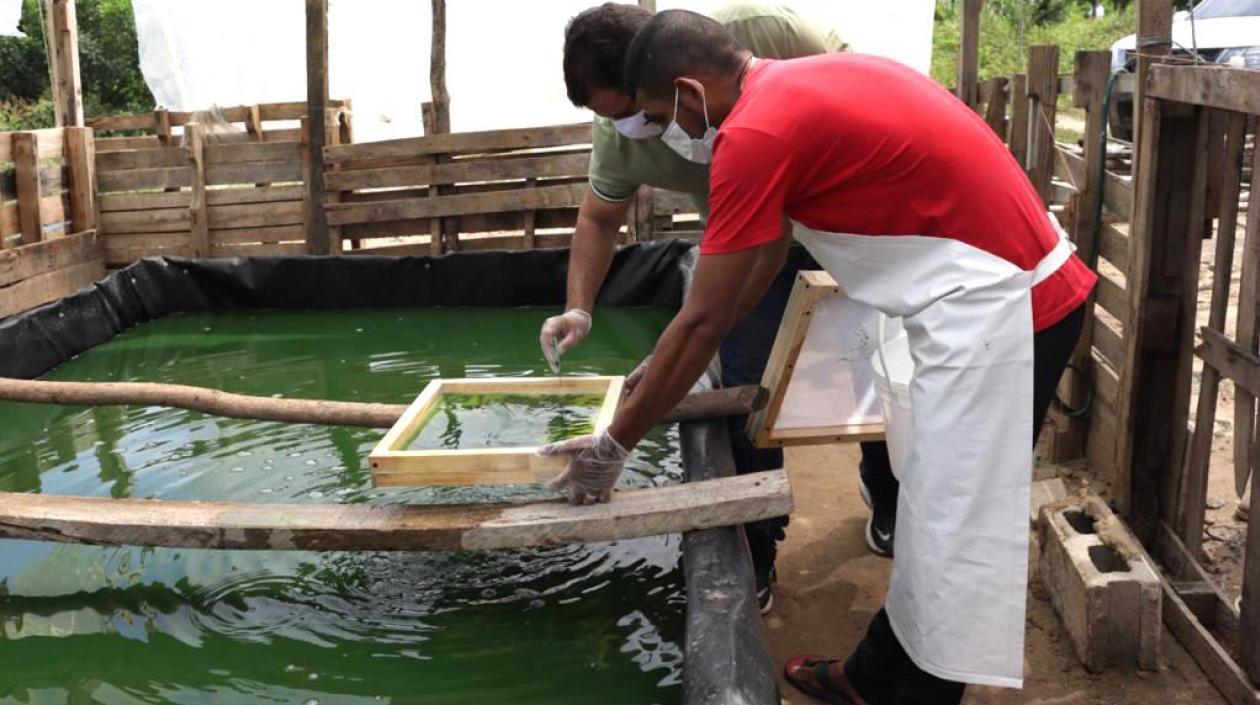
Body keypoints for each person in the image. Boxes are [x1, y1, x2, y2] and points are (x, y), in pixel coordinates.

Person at [540, 10, 1095, 704]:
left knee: (956, 516)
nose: (663, 134)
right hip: (978, 295)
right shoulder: (786, 87)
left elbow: (704, 317)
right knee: (931, 495)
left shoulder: (751, 134)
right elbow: (760, 259)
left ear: (688, 93)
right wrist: (668, 355)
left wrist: (613, 444)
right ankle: (874, 675)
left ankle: (916, 694)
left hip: (1009, 304)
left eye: (657, 115)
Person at [541, 2, 899, 616]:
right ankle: (755, 547)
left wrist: (614, 445)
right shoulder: (621, 131)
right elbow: (601, 220)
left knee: (879, 365)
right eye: (616, 119)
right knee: (744, 382)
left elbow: (863, 97)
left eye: (641, 113)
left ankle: (889, 491)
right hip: (750, 241)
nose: (632, 127)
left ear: (667, 77)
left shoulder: (768, 31)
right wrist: (581, 309)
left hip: (847, 227)